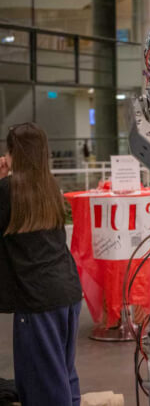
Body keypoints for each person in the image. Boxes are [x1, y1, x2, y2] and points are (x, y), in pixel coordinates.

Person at [0, 123, 83, 406]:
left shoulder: (8, 189)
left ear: (12, 154)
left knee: (42, 384)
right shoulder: (48, 186)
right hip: (68, 292)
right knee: (62, 372)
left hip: (38, 300)